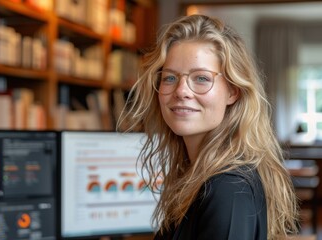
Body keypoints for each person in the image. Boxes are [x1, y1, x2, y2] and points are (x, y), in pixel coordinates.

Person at [117, 14, 298, 239]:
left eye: (201, 78)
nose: (181, 91)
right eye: (170, 78)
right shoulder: (197, 175)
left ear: (233, 91)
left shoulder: (228, 188)